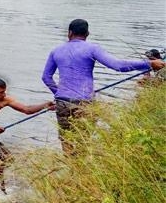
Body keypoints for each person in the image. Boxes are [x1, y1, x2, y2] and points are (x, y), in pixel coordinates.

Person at [42, 19, 165, 154]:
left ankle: (70, 168)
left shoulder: (56, 51)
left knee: (67, 142)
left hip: (63, 102)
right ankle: (81, 170)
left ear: (69, 33)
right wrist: (149, 64)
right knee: (84, 141)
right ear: (87, 34)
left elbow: (46, 78)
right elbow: (118, 65)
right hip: (84, 102)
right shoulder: (92, 49)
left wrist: (59, 93)